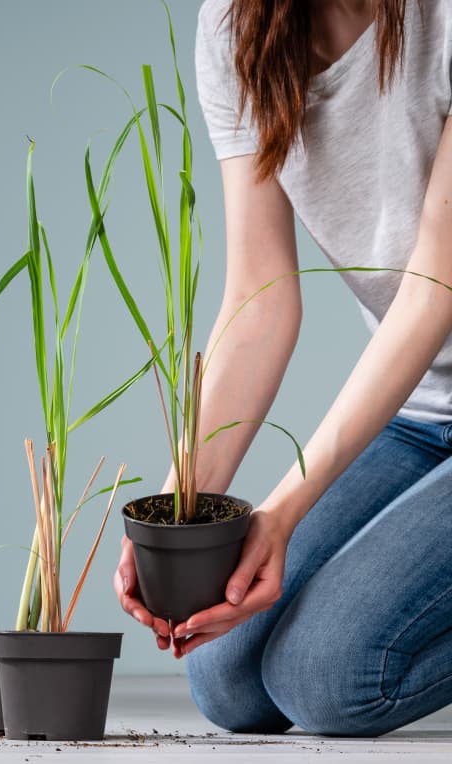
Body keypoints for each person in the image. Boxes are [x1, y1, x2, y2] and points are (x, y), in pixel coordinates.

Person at [114, 0, 452, 737]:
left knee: (332, 678)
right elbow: (257, 304)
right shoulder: (237, 25)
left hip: (431, 341)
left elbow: (433, 291)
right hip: (426, 415)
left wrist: (282, 514)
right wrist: (178, 522)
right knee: (227, 674)